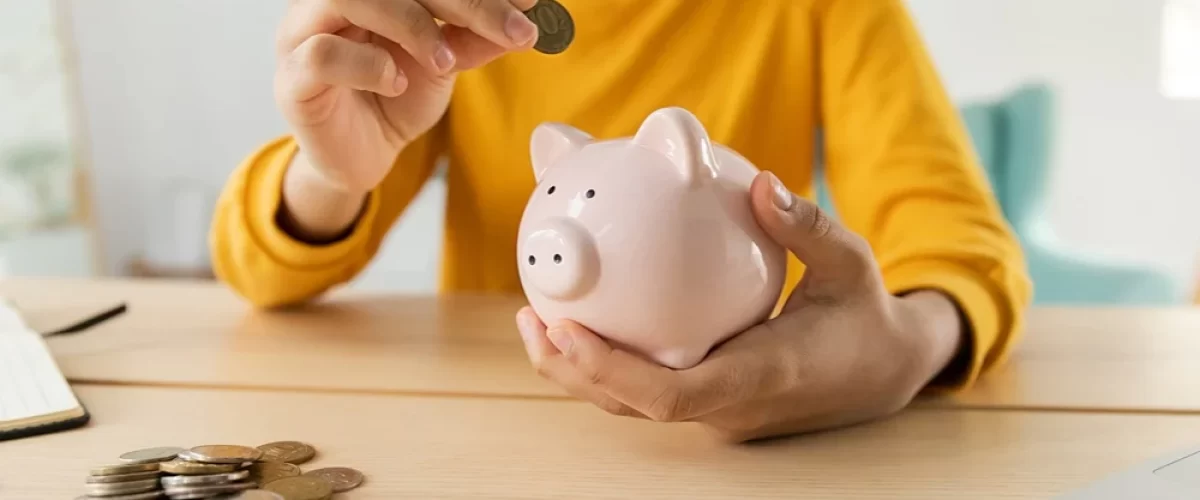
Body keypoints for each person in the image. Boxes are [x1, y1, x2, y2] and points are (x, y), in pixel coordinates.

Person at [209, 0, 1031, 442]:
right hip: (493, 439)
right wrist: (327, 170)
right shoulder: (452, 20)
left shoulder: (827, 6)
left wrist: (906, 348)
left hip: (737, 453)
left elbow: (958, 242)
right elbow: (264, 273)